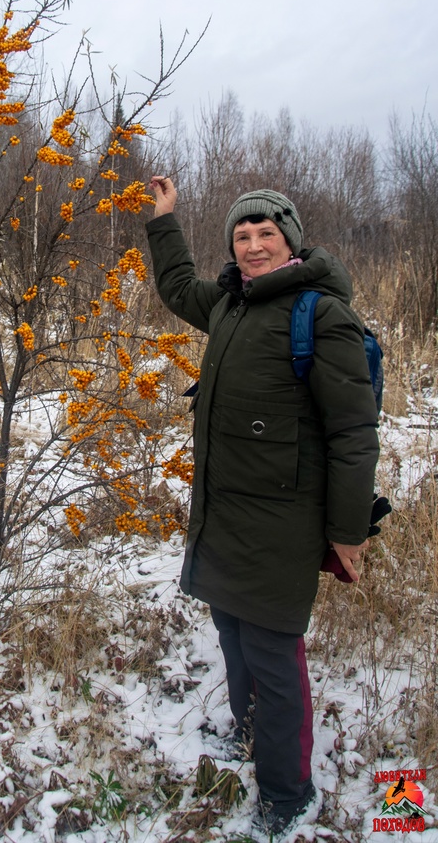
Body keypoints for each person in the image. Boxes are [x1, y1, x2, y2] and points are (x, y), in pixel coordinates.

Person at [146, 179, 379, 836]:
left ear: (291, 241)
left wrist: (347, 533)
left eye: (265, 235)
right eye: (241, 236)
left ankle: (286, 792)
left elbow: (354, 434)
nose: (251, 246)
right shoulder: (229, 304)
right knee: (232, 636)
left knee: (274, 658)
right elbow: (176, 286)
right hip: (223, 512)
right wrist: (163, 220)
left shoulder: (321, 314)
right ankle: (249, 737)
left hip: (281, 521)